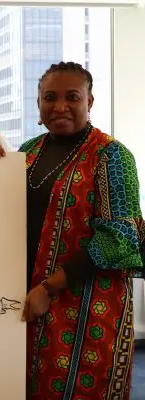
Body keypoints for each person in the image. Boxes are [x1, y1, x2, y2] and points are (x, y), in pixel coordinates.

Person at [20, 61, 144, 399]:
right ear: (38, 103)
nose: (60, 106)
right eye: (50, 97)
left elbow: (120, 238)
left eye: (72, 97)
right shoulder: (27, 152)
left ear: (90, 101)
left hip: (89, 307)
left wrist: (50, 287)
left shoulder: (112, 156)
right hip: (30, 300)